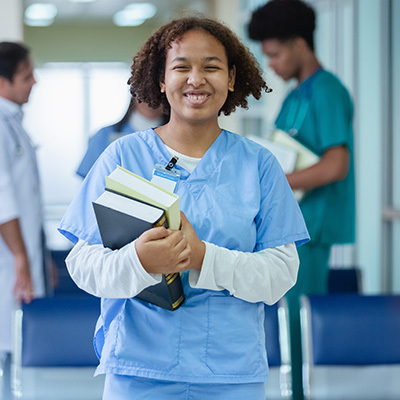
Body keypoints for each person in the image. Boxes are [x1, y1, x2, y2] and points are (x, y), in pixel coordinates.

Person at [59, 16, 310, 400]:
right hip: (138, 370)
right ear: (161, 80)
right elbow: (82, 265)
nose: (196, 79)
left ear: (230, 78)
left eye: (211, 66)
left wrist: (202, 257)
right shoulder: (122, 157)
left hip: (231, 374)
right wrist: (139, 262)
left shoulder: (258, 165)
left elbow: (281, 274)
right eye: (181, 67)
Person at [248, 1, 356, 399]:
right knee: (285, 315)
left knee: (299, 322)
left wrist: (278, 182)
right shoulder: (297, 95)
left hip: (311, 225)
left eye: (275, 54)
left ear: (299, 44)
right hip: (291, 223)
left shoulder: (327, 91)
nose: (271, 63)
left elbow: (335, 165)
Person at [0, 42, 47, 399]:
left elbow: (29, 201)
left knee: (15, 347)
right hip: (7, 260)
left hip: (20, 256)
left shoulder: (13, 123)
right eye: (26, 76)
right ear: (3, 82)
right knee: (8, 346)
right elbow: (4, 201)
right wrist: (20, 259)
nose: (34, 82)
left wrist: (39, 259)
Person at [76, 97, 167, 178]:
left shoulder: (175, 140)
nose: (151, 102)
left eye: (158, 96)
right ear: (134, 96)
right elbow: (90, 182)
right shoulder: (105, 134)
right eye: (146, 95)